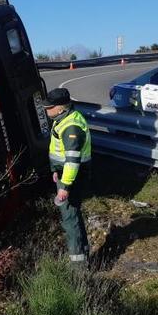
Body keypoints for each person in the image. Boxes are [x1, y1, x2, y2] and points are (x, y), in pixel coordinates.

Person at [42, 87, 91, 266]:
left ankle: (79, 266)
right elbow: (59, 151)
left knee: (70, 218)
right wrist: (55, 169)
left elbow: (72, 161)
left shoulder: (71, 126)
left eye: (49, 107)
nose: (46, 111)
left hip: (72, 177)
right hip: (65, 174)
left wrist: (65, 187)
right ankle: (83, 253)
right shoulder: (62, 119)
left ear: (61, 107)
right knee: (73, 215)